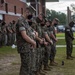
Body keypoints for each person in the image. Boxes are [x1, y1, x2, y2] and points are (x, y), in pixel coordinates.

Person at [16, 7, 36, 75]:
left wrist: (33, 34)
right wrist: (33, 42)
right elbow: (24, 36)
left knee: (28, 66)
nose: (32, 15)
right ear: (27, 12)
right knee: (25, 66)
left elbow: (29, 33)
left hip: (28, 46)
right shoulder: (21, 21)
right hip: (24, 47)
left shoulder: (25, 21)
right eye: (31, 13)